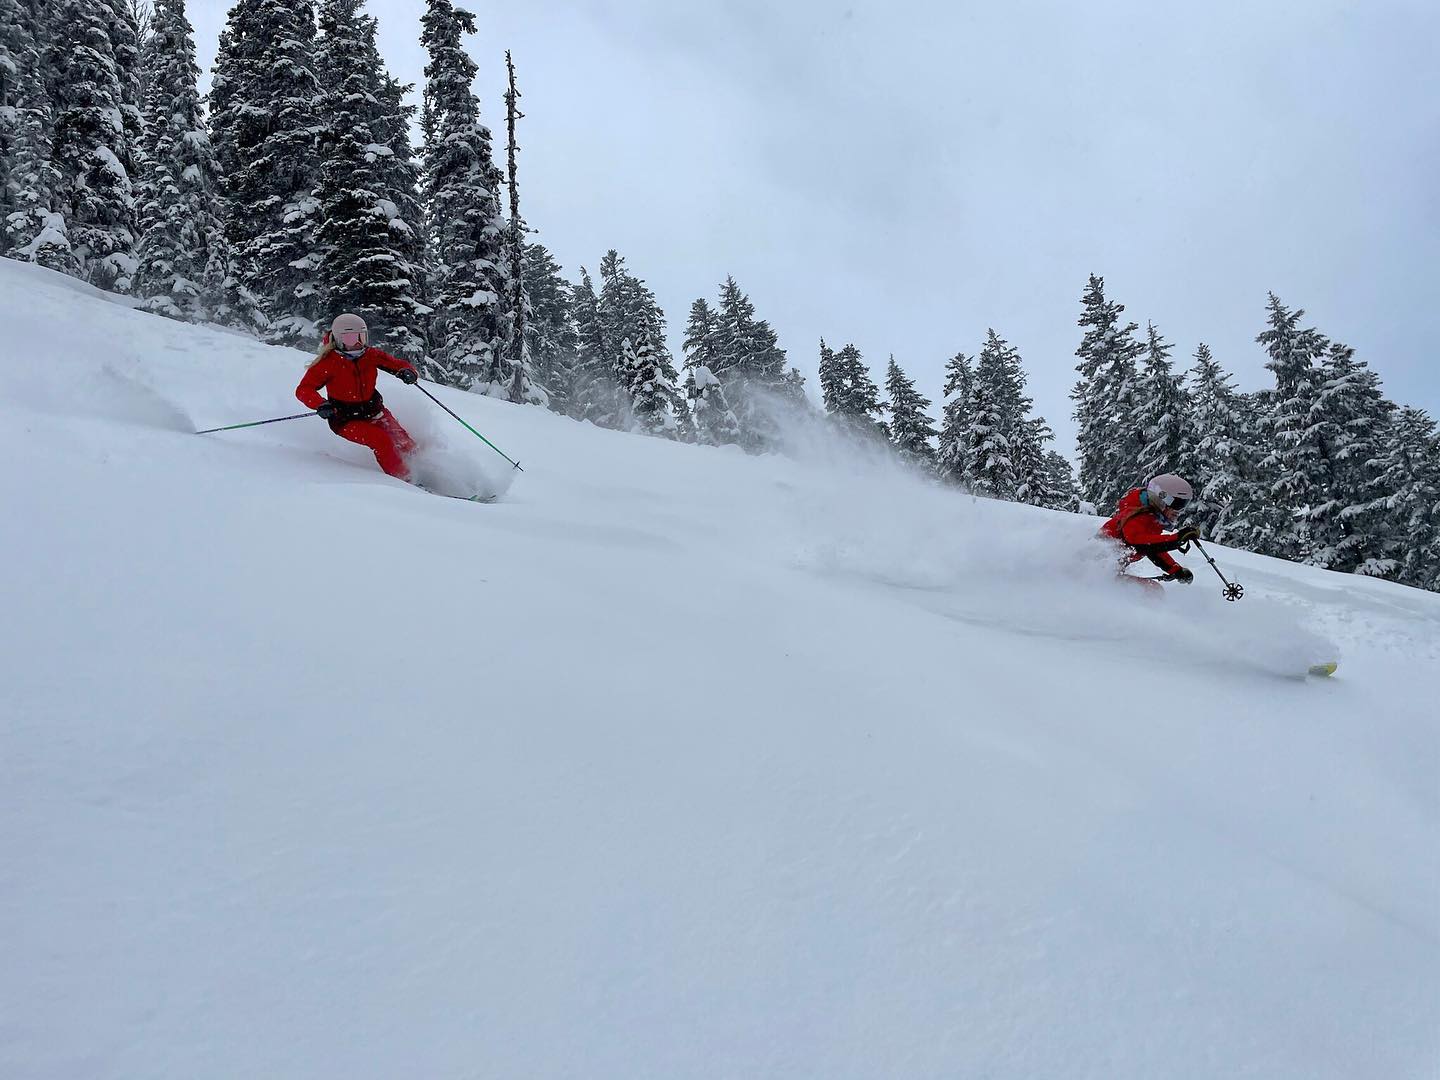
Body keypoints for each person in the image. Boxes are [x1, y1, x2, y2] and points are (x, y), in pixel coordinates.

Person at [296, 313, 420, 481]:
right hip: (346, 420)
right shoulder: (328, 362)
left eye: (361, 337)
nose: (357, 343)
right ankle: (404, 480)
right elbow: (304, 389)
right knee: (381, 440)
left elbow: (397, 364)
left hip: (374, 411)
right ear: (338, 339)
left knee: (405, 443)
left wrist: (408, 371)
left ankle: (422, 471)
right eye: (350, 338)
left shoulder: (370, 355)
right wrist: (320, 404)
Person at [1100, 473, 1201, 586]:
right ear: (1161, 499)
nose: (1179, 511)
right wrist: (1177, 539)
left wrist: (1175, 570)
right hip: (1094, 571)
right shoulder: (1136, 515)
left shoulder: (1152, 518)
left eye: (1184, 505)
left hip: (1106, 572)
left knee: (1153, 591)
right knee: (1151, 592)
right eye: (1177, 504)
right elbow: (1139, 542)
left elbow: (1152, 548)